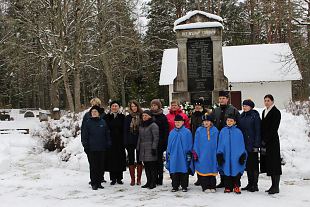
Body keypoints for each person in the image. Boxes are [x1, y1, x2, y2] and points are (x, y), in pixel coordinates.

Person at [212, 91, 240, 188]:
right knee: (221, 159)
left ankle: (232, 180)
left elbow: (238, 124)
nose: (222, 100)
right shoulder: (216, 110)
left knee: (230, 159)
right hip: (219, 138)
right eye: (220, 98)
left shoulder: (233, 110)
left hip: (230, 139)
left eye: (223, 98)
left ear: (227, 99)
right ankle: (223, 180)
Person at [81, 105, 111, 190]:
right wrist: (85, 146)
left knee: (100, 166)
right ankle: (94, 183)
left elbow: (107, 133)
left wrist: (108, 143)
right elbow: (84, 135)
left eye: (95, 112)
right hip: (91, 148)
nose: (94, 113)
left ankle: (99, 182)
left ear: (99, 113)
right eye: (92, 112)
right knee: (93, 166)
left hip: (101, 148)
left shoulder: (103, 122)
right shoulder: (87, 122)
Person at [217, 115, 247, 194]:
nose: (229, 122)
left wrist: (242, 155)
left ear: (234, 122)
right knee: (226, 170)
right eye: (228, 121)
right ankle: (228, 187)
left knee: (236, 170)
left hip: (236, 156)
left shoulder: (238, 132)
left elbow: (241, 144)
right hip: (226, 155)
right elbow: (220, 143)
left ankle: (236, 186)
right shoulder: (223, 131)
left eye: (231, 121)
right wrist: (219, 154)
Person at [166, 115, 193, 192]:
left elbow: (189, 143)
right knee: (174, 170)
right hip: (174, 155)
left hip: (183, 155)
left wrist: (189, 153)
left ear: (183, 122)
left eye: (179, 122)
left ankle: (184, 186)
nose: (177, 123)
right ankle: (175, 186)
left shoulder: (187, 132)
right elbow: (169, 143)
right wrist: (169, 153)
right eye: (176, 122)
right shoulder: (172, 132)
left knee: (184, 170)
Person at [260, 94, 282, 194]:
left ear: (272, 101)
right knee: (270, 164)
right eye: (265, 100)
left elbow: (274, 128)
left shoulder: (276, 112)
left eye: (268, 100)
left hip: (272, 141)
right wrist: (262, 139)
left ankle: (276, 187)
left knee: (275, 164)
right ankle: (272, 185)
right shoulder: (264, 111)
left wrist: (266, 139)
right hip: (265, 141)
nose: (266, 102)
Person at [239, 99, 261, 192]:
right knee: (248, 165)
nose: (244, 107)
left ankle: (255, 185)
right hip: (244, 145)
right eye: (243, 105)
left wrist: (256, 144)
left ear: (251, 107)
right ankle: (249, 183)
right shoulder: (242, 116)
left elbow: (258, 131)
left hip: (252, 145)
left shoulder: (254, 116)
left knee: (254, 165)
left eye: (246, 106)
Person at [192, 115, 219, 192]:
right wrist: (195, 152)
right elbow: (196, 142)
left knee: (212, 169)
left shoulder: (215, 130)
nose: (206, 122)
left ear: (211, 122)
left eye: (208, 121)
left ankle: (213, 186)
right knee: (204, 169)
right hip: (202, 154)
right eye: (204, 121)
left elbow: (218, 142)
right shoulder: (199, 130)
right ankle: (205, 187)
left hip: (212, 154)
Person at [104, 101, 126, 185]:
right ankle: (113, 178)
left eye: (116, 106)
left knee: (120, 159)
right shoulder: (106, 117)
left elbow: (124, 129)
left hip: (120, 141)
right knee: (111, 160)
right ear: (110, 107)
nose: (114, 107)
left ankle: (119, 178)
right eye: (113, 106)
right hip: (110, 141)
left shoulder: (122, 117)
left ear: (119, 107)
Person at [136, 110, 159, 189]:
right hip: (143, 148)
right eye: (143, 116)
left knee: (152, 166)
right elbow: (139, 137)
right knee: (146, 166)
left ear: (150, 116)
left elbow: (156, 138)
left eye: (146, 115)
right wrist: (138, 147)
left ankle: (153, 182)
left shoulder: (153, 125)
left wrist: (154, 148)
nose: (144, 117)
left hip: (150, 147)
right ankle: (148, 181)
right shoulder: (141, 125)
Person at [124, 100, 143, 186]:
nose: (134, 108)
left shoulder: (142, 116)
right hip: (130, 141)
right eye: (132, 106)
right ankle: (132, 179)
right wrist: (126, 142)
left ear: (137, 107)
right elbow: (125, 131)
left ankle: (139, 179)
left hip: (140, 141)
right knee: (131, 160)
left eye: (135, 106)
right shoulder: (127, 117)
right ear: (130, 108)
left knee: (139, 159)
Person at [150, 99, 169, 185]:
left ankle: (160, 178)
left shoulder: (162, 117)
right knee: (152, 161)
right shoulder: (149, 115)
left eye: (155, 105)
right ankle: (153, 178)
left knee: (159, 161)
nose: (153, 107)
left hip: (160, 142)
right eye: (152, 105)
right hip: (150, 141)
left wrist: (165, 142)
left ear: (158, 106)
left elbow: (165, 130)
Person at [190, 99, 205, 186]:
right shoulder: (193, 115)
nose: (197, 107)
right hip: (194, 138)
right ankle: (199, 177)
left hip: (203, 139)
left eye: (199, 105)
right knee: (197, 158)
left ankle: (204, 177)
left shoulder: (205, 115)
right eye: (196, 105)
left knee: (203, 159)